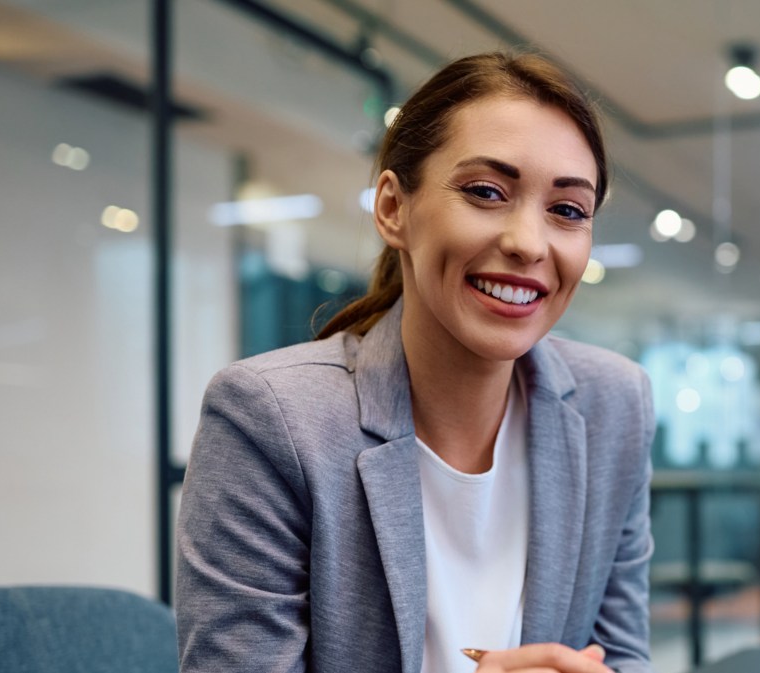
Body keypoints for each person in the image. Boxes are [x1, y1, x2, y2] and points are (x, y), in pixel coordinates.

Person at [175, 52, 655, 673]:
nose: (528, 243)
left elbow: (621, 660)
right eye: (486, 192)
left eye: (567, 210)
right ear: (393, 209)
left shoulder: (614, 404)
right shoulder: (272, 419)